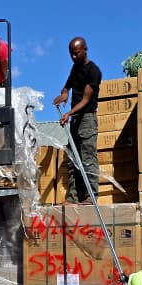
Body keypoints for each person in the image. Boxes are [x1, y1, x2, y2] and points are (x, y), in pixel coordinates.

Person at [53, 37, 102, 202]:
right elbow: (68, 85)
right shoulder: (76, 68)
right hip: (75, 119)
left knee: (88, 159)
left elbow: (86, 99)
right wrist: (64, 93)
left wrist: (69, 113)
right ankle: (73, 197)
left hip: (87, 119)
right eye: (71, 54)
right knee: (73, 159)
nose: (73, 57)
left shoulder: (93, 72)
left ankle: (91, 196)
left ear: (84, 50)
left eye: (76, 53)